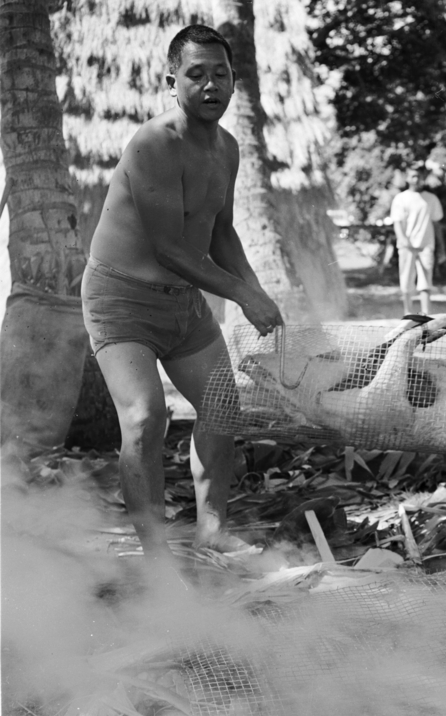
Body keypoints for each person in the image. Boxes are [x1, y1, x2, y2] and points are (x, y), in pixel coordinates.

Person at [82, 25, 284, 566]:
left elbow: (221, 233)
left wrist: (256, 289)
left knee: (221, 406)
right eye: (196, 74)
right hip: (120, 300)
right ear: (172, 82)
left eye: (220, 74)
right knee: (146, 417)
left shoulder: (228, 148)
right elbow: (170, 247)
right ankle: (155, 558)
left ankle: (212, 529)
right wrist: (242, 295)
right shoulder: (154, 143)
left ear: (235, 81)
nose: (210, 84)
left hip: (183, 304)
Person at [390, 163, 445, 315]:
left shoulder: (431, 199)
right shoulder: (401, 199)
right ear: (407, 178)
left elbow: (436, 224)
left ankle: (425, 314)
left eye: (419, 176)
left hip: (426, 245)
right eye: (413, 176)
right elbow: (397, 223)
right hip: (407, 246)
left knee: (425, 282)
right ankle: (408, 313)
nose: (416, 179)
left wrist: (441, 249)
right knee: (406, 281)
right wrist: (403, 240)